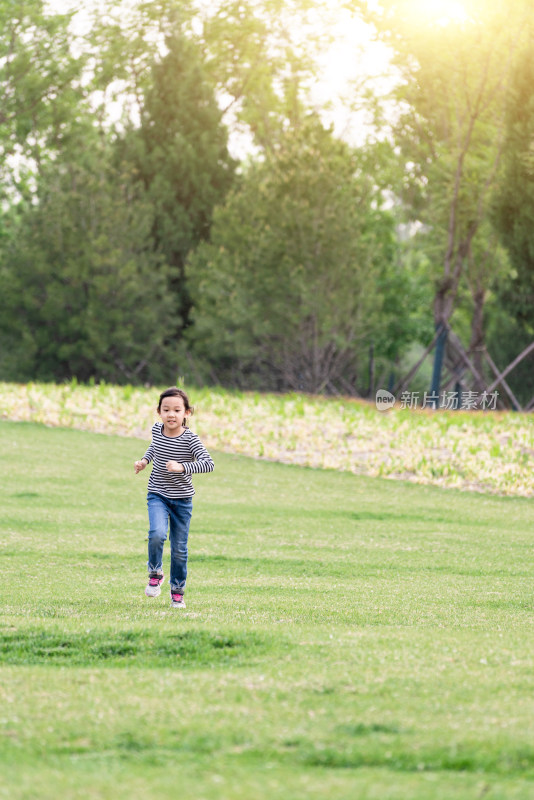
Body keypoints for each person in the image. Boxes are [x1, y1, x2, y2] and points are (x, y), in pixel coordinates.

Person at [134, 387, 214, 608]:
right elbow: (155, 447)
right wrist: (144, 461)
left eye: (177, 410)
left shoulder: (191, 439)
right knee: (157, 533)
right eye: (166, 409)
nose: (171, 414)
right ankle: (155, 572)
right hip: (157, 493)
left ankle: (177, 590)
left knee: (179, 548)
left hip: (182, 501)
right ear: (159, 412)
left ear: (187, 413)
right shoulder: (157, 430)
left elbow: (209, 464)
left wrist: (182, 467)